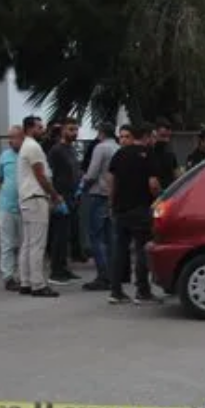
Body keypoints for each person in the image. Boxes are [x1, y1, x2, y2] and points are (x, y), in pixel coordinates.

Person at [107, 124, 163, 305]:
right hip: (141, 208)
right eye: (152, 137)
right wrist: (160, 198)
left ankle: (116, 291)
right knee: (141, 250)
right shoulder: (148, 155)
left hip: (120, 209)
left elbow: (111, 181)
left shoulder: (119, 154)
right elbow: (153, 184)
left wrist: (111, 203)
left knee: (119, 250)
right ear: (146, 137)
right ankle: (142, 290)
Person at [17, 116, 63, 297]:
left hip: (27, 198)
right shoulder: (33, 147)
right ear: (29, 129)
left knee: (28, 243)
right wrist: (54, 195)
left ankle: (25, 281)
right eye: (39, 127)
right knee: (37, 244)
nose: (42, 129)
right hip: (36, 197)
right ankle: (37, 284)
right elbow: (41, 175)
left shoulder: (25, 146)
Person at [79, 123, 118, 290]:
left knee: (96, 237)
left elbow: (92, 172)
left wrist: (82, 187)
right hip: (113, 197)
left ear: (100, 133)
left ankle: (103, 276)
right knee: (110, 238)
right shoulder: (118, 147)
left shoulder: (100, 148)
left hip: (98, 195)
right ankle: (113, 274)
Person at [0, 126, 24, 291]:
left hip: (25, 206)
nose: (10, 140)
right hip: (6, 206)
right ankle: (8, 277)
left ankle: (24, 276)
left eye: (14, 137)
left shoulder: (29, 154)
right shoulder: (5, 156)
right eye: (9, 137)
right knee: (7, 244)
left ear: (22, 137)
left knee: (25, 244)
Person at [46, 117, 81, 284]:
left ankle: (64, 268)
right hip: (60, 197)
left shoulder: (71, 149)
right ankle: (56, 271)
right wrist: (54, 197)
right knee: (59, 235)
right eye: (70, 129)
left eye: (75, 129)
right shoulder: (56, 151)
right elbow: (48, 174)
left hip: (72, 196)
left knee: (67, 235)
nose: (74, 133)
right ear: (62, 131)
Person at [152, 118, 181, 189]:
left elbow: (178, 177)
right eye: (163, 136)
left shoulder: (170, 154)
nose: (166, 140)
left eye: (168, 136)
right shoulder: (148, 154)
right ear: (154, 133)